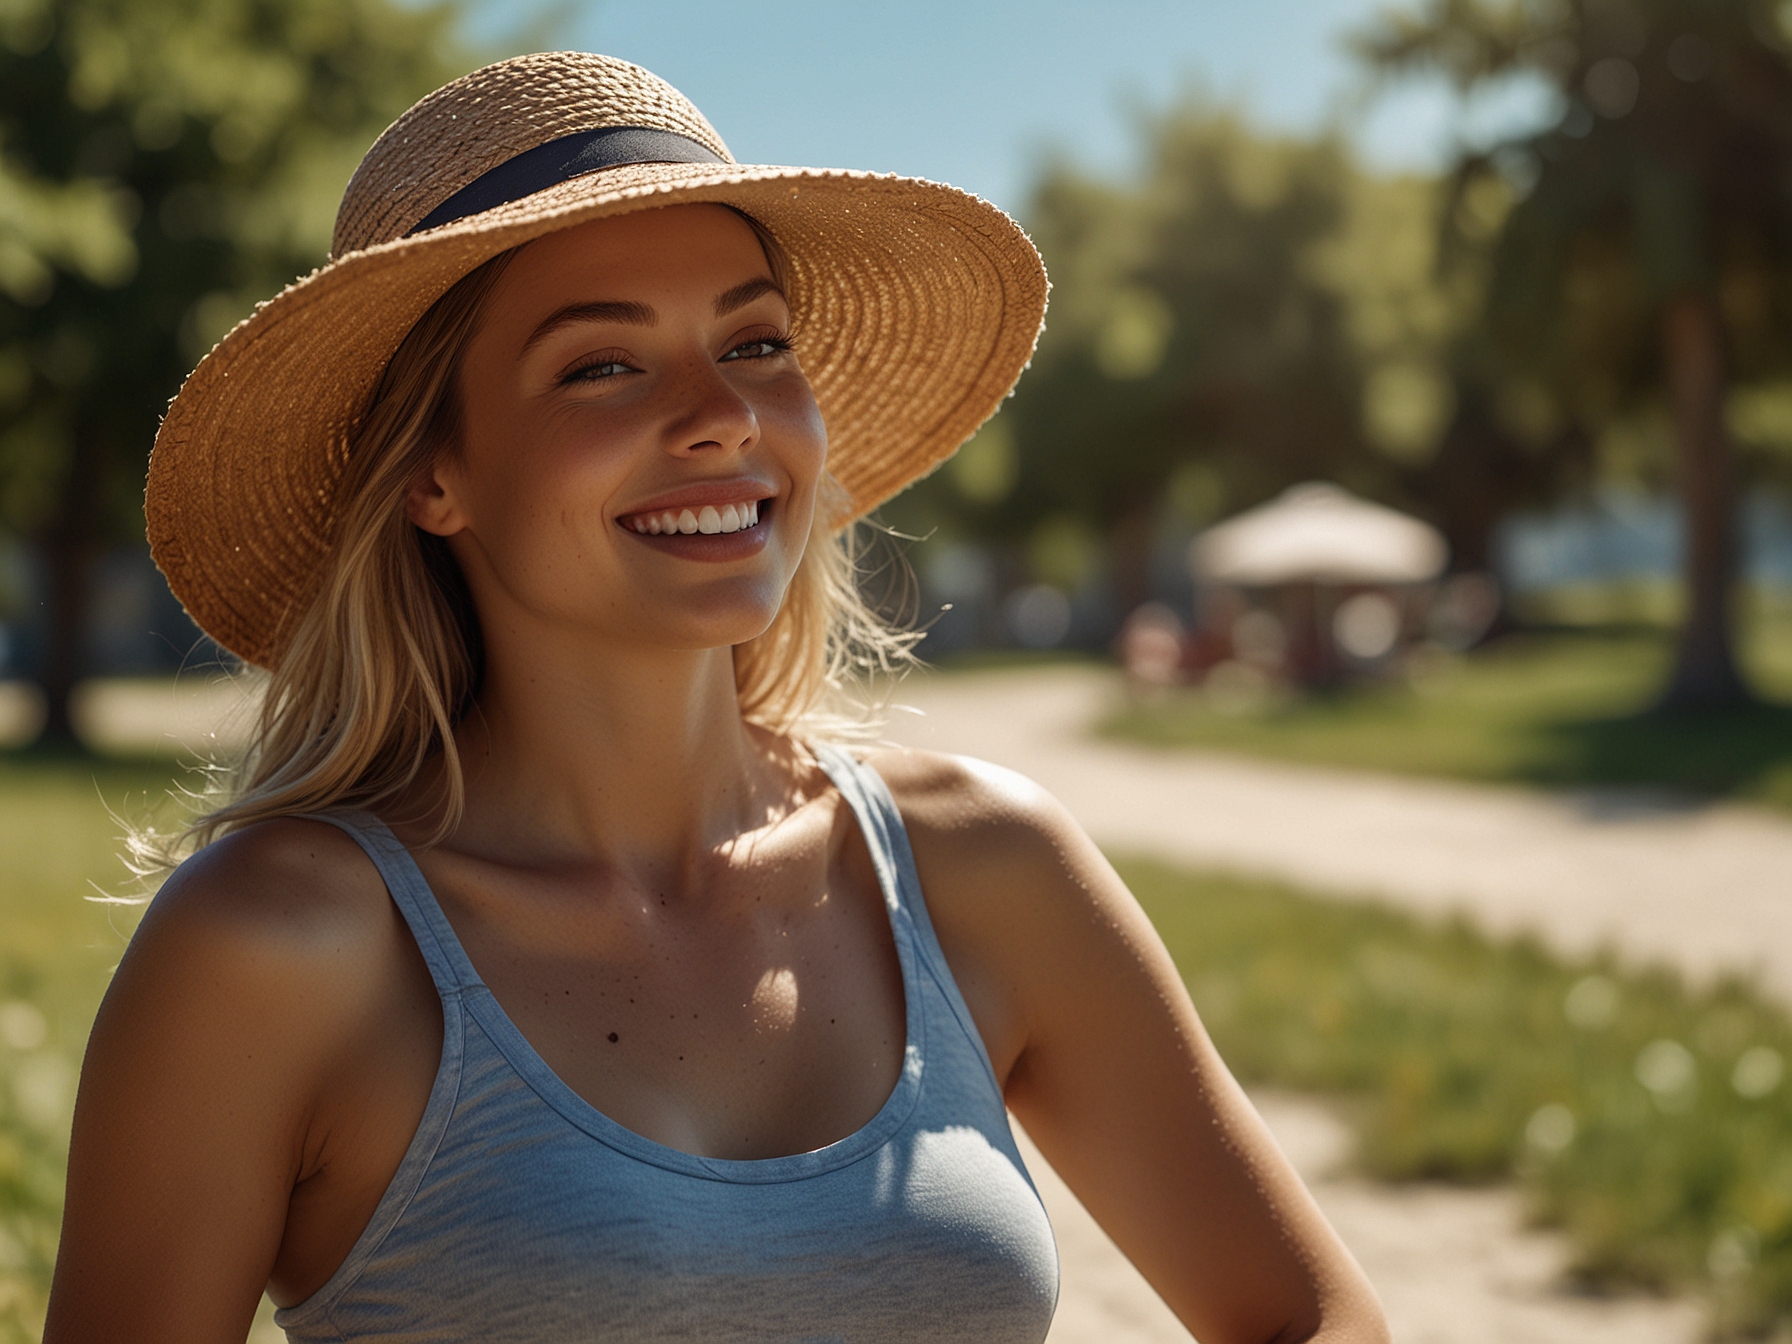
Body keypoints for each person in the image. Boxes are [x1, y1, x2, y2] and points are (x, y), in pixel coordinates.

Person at [45, 52, 1390, 1344]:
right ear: (434, 475)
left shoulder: (987, 866)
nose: (721, 418)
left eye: (754, 343)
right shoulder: (275, 949)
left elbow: (1313, 1317)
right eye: (602, 365)